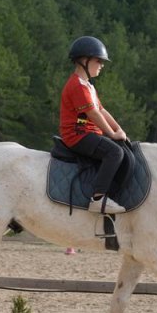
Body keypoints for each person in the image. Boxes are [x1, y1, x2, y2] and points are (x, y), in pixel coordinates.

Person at [59, 36, 128, 214]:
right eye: (99, 61)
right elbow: (93, 113)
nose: (102, 65)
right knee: (115, 152)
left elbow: (102, 110)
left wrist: (118, 129)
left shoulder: (88, 85)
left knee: (122, 148)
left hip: (88, 133)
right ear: (84, 60)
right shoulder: (77, 86)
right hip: (77, 135)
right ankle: (98, 199)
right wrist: (112, 135)